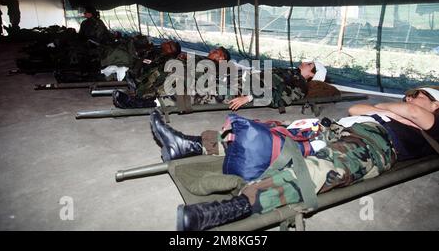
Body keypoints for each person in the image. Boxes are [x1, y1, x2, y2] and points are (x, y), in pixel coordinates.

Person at [149, 86, 439, 230]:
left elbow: (415, 114)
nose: (410, 99)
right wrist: (390, 107)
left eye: (419, 95)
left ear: (436, 102)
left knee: (322, 169)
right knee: (268, 135)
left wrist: (396, 108)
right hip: (338, 128)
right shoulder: (394, 109)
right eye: (408, 96)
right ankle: (191, 145)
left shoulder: (435, 120)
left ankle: (231, 208)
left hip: (375, 144)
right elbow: (355, 110)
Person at [112, 46, 230, 109]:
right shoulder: (207, 60)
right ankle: (140, 89)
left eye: (216, 51)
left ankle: (143, 100)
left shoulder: (217, 66)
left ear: (221, 58)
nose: (212, 51)